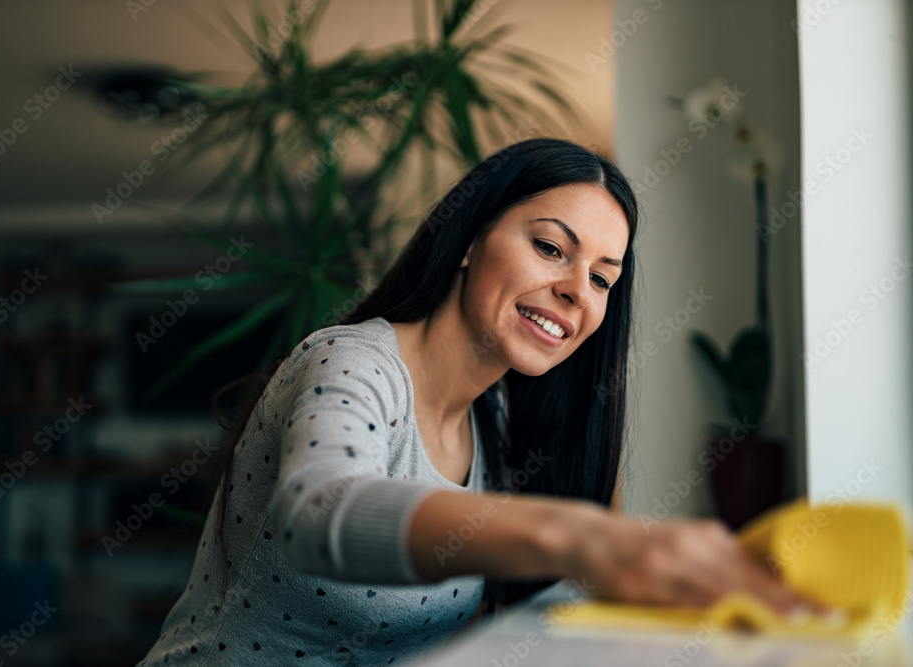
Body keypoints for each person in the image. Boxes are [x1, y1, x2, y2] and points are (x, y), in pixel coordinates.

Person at [137, 138, 818, 666]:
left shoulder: (497, 426)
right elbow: (318, 511)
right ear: (468, 240)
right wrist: (584, 535)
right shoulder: (351, 361)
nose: (578, 291)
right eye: (551, 247)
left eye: (603, 279)